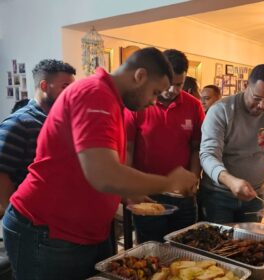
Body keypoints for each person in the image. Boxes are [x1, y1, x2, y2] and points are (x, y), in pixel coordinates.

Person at [2, 47, 198, 280]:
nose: (154, 102)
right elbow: (104, 174)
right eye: (155, 92)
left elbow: (95, 165)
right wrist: (169, 182)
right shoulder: (95, 93)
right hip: (48, 231)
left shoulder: (111, 100)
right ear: (140, 76)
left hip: (82, 231)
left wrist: (128, 194)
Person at [199, 64, 264, 224]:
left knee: (252, 245)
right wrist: (230, 181)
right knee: (218, 246)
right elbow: (207, 155)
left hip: (255, 197)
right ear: (245, 86)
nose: (262, 105)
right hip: (218, 196)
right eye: (257, 98)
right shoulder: (221, 110)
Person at [125, 49, 205, 243]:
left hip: (182, 194)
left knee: (185, 247)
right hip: (147, 192)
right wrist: (131, 189)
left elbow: (196, 148)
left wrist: (193, 178)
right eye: (169, 84)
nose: (173, 90)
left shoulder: (194, 106)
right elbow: (128, 149)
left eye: (179, 84)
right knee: (150, 247)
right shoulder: (138, 104)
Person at [0, 59, 76, 214]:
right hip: (30, 220)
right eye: (65, 87)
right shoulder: (19, 123)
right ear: (44, 86)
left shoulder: (62, 122)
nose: (71, 93)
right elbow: (2, 175)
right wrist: (14, 216)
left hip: (57, 215)